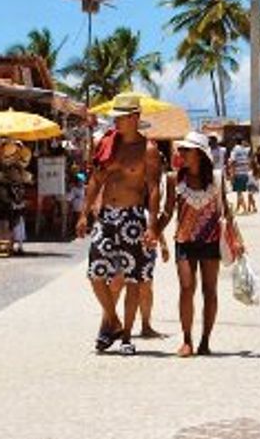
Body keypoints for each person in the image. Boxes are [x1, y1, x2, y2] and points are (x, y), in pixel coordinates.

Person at [76, 94, 162, 355]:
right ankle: (113, 321)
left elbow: (154, 188)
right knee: (95, 273)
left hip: (133, 216)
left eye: (121, 117)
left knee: (134, 278)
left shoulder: (148, 150)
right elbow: (95, 180)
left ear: (135, 117)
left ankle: (126, 337)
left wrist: (152, 225)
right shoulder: (107, 144)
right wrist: (83, 213)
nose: (116, 121)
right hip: (107, 215)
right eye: (116, 117)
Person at [168, 131, 237, 357]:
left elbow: (226, 210)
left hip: (211, 240)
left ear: (199, 154)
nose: (181, 154)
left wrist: (237, 239)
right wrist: (155, 233)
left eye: (186, 150)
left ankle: (205, 340)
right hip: (184, 241)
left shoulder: (217, 178)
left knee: (210, 291)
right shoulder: (174, 179)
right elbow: (168, 212)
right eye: (181, 150)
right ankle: (187, 339)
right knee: (187, 288)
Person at [138, 141, 175, 340]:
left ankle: (145, 324)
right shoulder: (141, 182)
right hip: (138, 231)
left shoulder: (163, 181)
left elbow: (156, 216)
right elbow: (149, 214)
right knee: (132, 282)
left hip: (148, 235)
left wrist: (163, 243)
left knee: (146, 282)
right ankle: (116, 322)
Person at [229, 137, 253, 215]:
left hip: (238, 173)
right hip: (245, 173)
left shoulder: (234, 150)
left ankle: (245, 209)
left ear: (235, 142)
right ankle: (237, 208)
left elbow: (232, 162)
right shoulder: (245, 150)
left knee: (239, 192)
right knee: (239, 191)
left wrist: (231, 174)